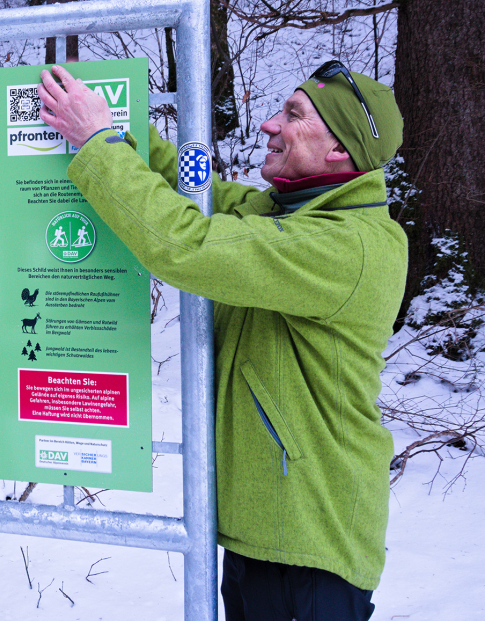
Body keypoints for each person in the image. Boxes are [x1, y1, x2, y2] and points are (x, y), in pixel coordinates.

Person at [37, 61, 406, 621]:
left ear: (339, 151)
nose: (268, 124)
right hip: (267, 526)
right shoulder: (287, 210)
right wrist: (117, 128)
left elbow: (188, 244)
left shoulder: (347, 246)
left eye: (294, 115)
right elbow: (186, 190)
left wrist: (97, 143)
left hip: (312, 542)